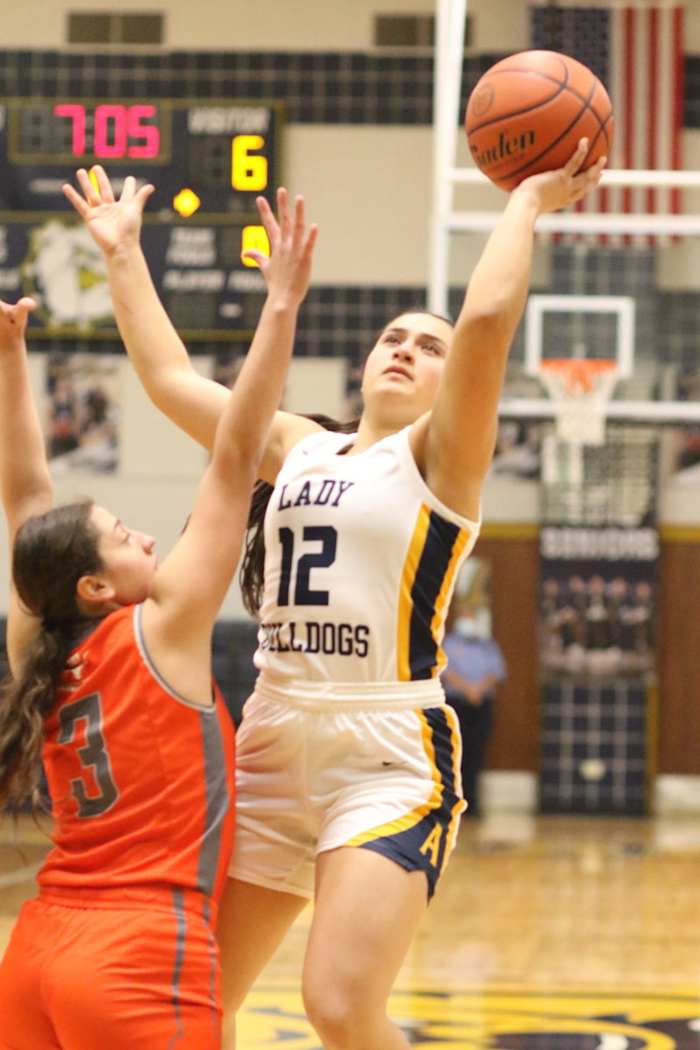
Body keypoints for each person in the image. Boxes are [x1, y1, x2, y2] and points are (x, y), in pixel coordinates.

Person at [66, 146, 605, 1050]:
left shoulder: (443, 457)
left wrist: (526, 204)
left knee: (338, 1005)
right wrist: (122, 251)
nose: (406, 349)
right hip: (273, 736)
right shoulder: (296, 444)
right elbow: (167, 382)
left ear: (448, 383)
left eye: (426, 347)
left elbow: (484, 321)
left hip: (388, 751)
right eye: (393, 337)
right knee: (196, 1002)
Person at [0, 173, 317, 1050]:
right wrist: (281, 307)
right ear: (96, 587)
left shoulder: (37, 642)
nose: (142, 534)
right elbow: (237, 452)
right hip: (141, 948)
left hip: (35, 949)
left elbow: (27, 496)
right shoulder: (167, 621)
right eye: (120, 535)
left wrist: (7, 360)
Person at [442, 603, 506, 817]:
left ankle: (472, 802)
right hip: (456, 703)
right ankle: (451, 801)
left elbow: (496, 671)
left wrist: (477, 690)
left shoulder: (487, 645)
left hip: (480, 705)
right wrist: (467, 689)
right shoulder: (449, 643)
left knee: (476, 752)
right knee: (453, 753)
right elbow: (445, 670)